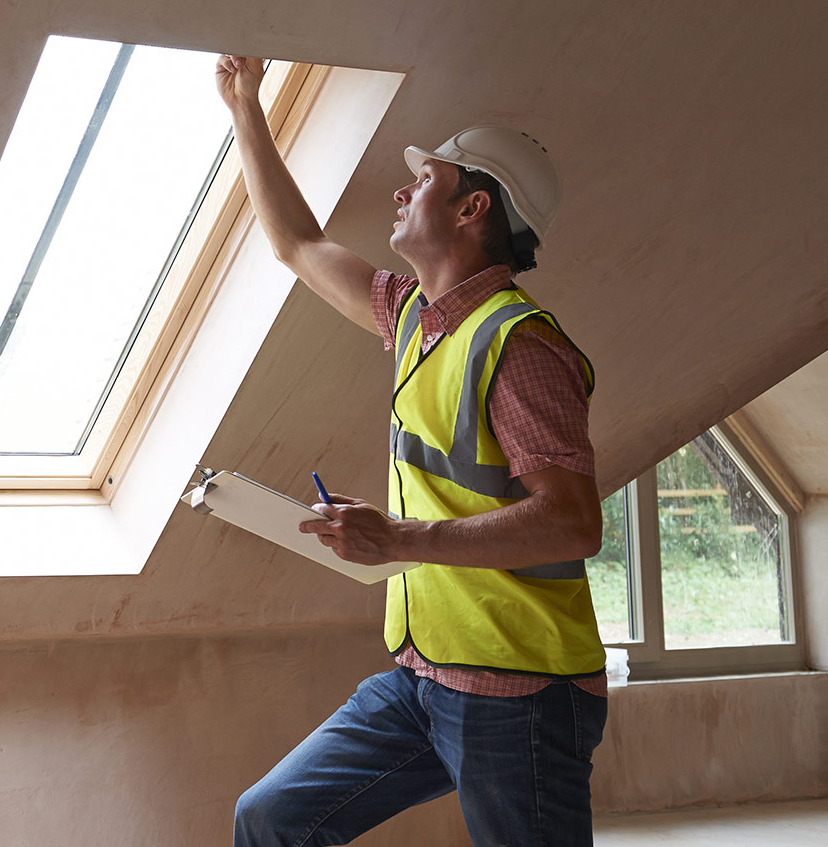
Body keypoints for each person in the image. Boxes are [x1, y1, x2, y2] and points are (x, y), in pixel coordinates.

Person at [215, 56, 610, 847]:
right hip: (424, 677)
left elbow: (573, 525)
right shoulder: (415, 323)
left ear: (472, 208)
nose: (400, 191)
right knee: (270, 820)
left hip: (522, 688)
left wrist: (400, 540)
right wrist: (244, 108)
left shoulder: (518, 345)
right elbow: (297, 244)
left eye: (422, 180)